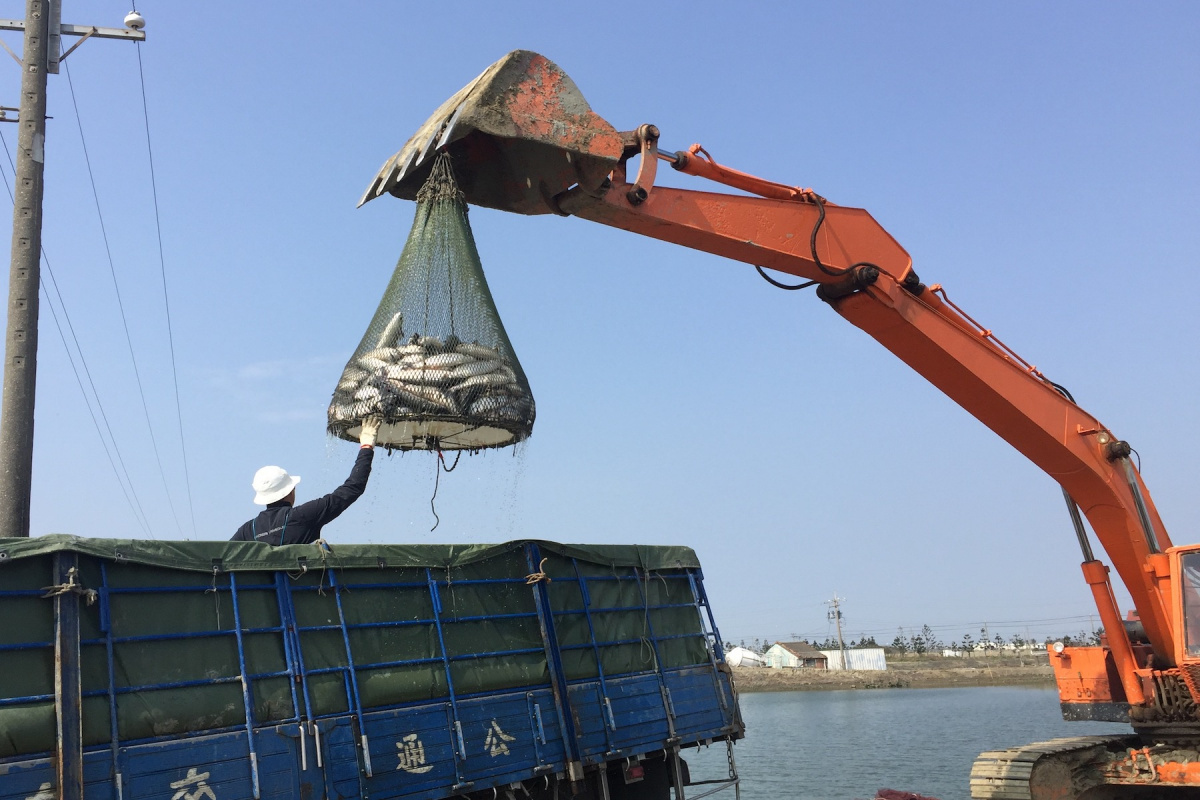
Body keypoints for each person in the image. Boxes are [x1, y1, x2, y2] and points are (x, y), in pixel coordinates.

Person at [231, 418, 381, 545]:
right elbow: (353, 488)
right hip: (306, 580)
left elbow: (222, 554)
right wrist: (367, 446)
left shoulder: (247, 531)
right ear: (290, 491)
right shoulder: (304, 515)